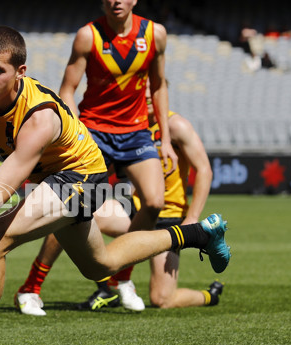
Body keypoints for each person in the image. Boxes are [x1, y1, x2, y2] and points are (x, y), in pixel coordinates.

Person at [0, 26, 230, 345]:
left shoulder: (39, 118)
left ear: (20, 73)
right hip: (55, 178)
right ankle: (198, 234)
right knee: (100, 265)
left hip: (83, 177)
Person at [21, 0, 178, 311]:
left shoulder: (155, 34)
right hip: (95, 132)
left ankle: (122, 278)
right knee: (72, 211)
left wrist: (167, 140)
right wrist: (78, 132)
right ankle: (30, 288)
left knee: (154, 203)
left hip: (137, 133)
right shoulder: (88, 36)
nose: (116, 0)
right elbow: (68, 89)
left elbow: (159, 86)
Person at [15, 88, 221, 316]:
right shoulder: (128, 128)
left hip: (169, 218)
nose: (149, 96)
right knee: (71, 210)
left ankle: (208, 296)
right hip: (133, 209)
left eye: (155, 91)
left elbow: (204, 170)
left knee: (162, 298)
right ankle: (32, 286)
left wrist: (191, 218)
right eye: (145, 90)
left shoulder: (176, 126)